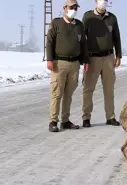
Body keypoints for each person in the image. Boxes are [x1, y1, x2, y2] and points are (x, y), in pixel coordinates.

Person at [46, 0, 89, 132]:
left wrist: (85, 60)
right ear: (64, 8)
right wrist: (49, 59)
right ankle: (53, 121)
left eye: (76, 7)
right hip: (59, 63)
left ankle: (65, 121)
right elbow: (49, 42)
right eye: (71, 7)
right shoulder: (56, 23)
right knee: (57, 93)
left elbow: (83, 45)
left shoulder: (79, 25)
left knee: (68, 94)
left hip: (75, 64)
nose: (74, 9)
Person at [81, 0, 122, 127]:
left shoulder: (112, 18)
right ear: (95, 2)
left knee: (109, 89)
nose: (103, 2)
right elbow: (82, 37)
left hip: (109, 57)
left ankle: (110, 117)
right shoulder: (88, 16)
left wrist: (119, 55)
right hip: (93, 58)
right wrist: (84, 57)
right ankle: (86, 118)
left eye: (105, 0)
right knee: (88, 89)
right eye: (100, 0)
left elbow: (117, 37)